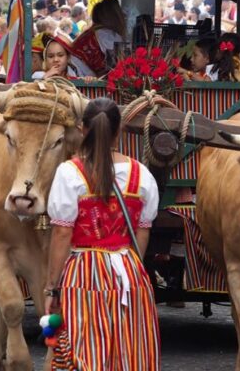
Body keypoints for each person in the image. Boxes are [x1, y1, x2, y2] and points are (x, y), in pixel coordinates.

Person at [46, 98, 160, 370]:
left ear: (82, 128)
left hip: (84, 271)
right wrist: (129, 264)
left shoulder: (69, 173)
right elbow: (142, 233)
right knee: (131, 350)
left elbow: (62, 234)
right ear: (119, 131)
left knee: (83, 348)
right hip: (129, 271)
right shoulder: (140, 174)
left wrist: (51, 286)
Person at [71, 0, 125, 77]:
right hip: (83, 77)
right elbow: (119, 65)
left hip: (77, 74)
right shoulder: (108, 34)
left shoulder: (93, 32)